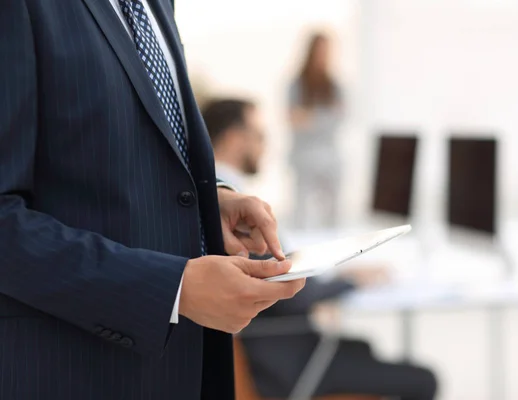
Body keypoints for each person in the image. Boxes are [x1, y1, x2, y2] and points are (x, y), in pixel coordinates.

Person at [0, 2, 305, 400]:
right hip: (72, 373)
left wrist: (210, 205)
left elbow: (121, 153)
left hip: (181, 371)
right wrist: (172, 289)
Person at [203, 98, 438, 400]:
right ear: (236, 139)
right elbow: (291, 291)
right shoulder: (231, 208)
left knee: (363, 347)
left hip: (280, 349)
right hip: (287, 366)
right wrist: (350, 281)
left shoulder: (221, 193)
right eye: (260, 136)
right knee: (424, 380)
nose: (267, 146)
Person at [288, 32, 344, 230]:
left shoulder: (335, 85)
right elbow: (295, 119)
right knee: (302, 213)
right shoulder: (297, 84)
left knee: (333, 213)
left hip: (329, 156)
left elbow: (341, 117)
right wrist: (325, 117)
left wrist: (311, 117)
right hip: (304, 157)